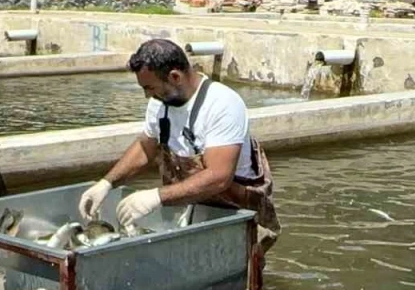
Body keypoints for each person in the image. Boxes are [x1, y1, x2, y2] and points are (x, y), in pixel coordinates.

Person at [79, 38, 280, 253]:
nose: (147, 95)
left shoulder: (222, 104)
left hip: (235, 213)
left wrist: (156, 197)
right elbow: (146, 147)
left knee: (233, 265)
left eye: (150, 87)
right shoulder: (160, 103)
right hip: (190, 205)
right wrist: (107, 183)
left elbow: (219, 177)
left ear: (175, 77)